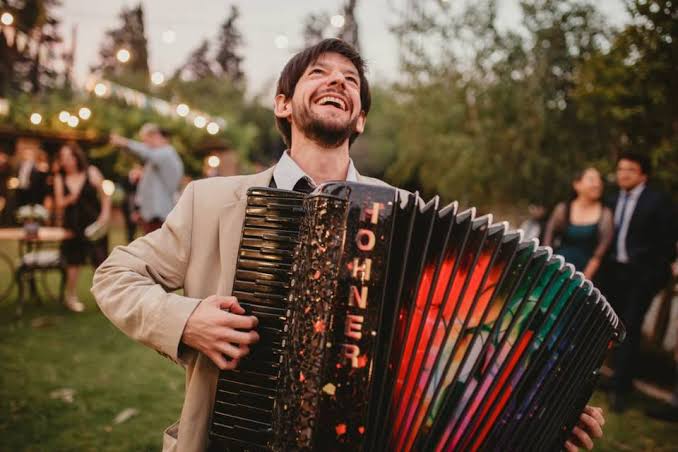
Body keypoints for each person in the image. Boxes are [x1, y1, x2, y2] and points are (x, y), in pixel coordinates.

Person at [92, 39, 605, 452]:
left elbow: (462, 344)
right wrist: (187, 321)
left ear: (359, 117)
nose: (338, 80)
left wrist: (543, 409)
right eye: (318, 72)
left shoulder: (411, 217)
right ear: (283, 104)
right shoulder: (212, 201)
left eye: (351, 80)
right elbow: (114, 276)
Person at [599, 152, 677, 412]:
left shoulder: (658, 201)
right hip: (614, 273)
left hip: (641, 277)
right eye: (620, 169)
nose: (623, 174)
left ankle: (621, 389)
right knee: (609, 325)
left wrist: (652, 275)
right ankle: (609, 377)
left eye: (630, 170)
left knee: (630, 329)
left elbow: (666, 243)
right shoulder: (610, 199)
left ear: (643, 174)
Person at [54, 142, 111, 312]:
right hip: (73, 226)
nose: (67, 161)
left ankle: (106, 300)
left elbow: (105, 196)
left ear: (76, 156)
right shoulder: (60, 177)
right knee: (74, 261)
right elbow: (59, 203)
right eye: (63, 158)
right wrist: (70, 198)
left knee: (100, 262)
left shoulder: (91, 172)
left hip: (93, 224)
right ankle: (70, 296)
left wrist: (104, 216)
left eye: (69, 156)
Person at [109, 124, 183, 234]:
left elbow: (146, 152)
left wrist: (125, 142)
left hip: (158, 214)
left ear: (155, 136)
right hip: (152, 214)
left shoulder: (166, 152)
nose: (145, 145)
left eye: (146, 141)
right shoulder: (159, 157)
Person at [543, 167, 614, 280]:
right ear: (577, 184)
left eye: (599, 181)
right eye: (592, 180)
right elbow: (548, 239)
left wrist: (586, 276)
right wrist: (549, 266)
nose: (597, 184)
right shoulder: (563, 208)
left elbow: (601, 251)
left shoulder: (605, 213)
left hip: (587, 272)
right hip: (559, 266)